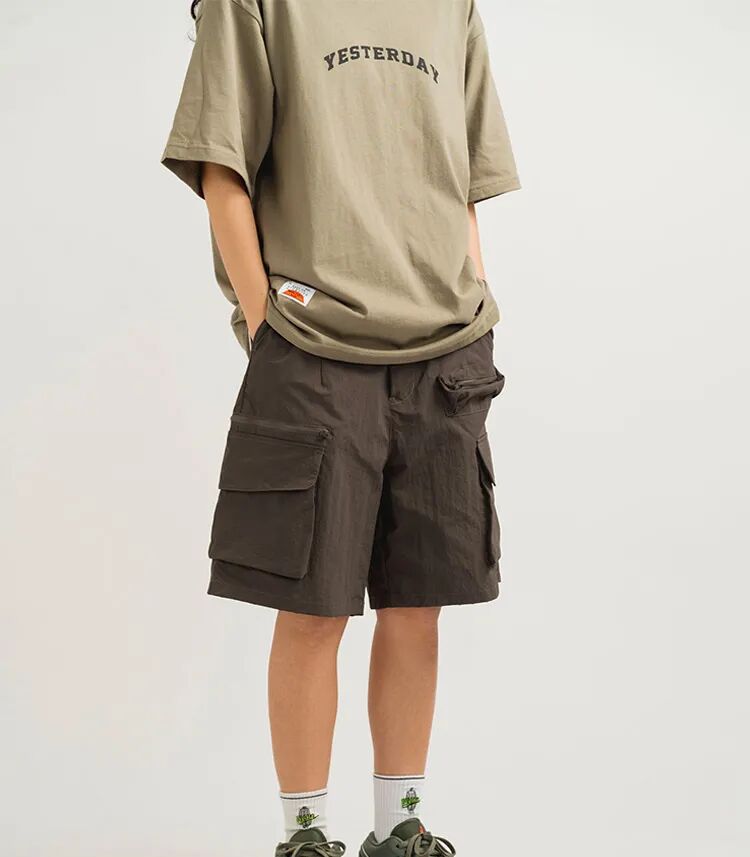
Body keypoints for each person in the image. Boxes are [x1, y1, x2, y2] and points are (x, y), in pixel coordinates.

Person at [161, 0, 520, 854]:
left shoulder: (451, 6)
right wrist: (268, 325)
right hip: (314, 346)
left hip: (445, 350)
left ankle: (400, 829)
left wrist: (474, 297)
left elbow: (464, 180)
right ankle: (306, 836)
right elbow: (221, 169)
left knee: (419, 604)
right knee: (313, 607)